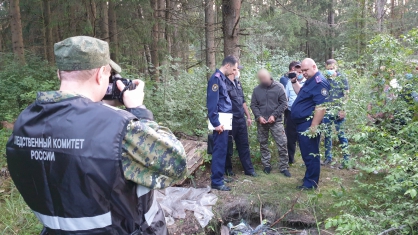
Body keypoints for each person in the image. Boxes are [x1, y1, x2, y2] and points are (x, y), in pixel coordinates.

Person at [6, 36, 187, 235]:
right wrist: (139, 111)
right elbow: (176, 164)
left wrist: (99, 109)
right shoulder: (119, 128)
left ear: (60, 73)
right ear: (101, 74)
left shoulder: (25, 122)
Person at [291, 58, 330, 190]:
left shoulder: (320, 82)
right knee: (306, 153)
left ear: (314, 66)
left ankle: (311, 184)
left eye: (306, 70)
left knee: (311, 153)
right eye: (302, 71)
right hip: (302, 123)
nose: (304, 73)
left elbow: (321, 106)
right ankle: (309, 178)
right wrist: (294, 81)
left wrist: (314, 126)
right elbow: (300, 94)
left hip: (309, 124)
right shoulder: (310, 81)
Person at [250, 69, 291, 177]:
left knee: (282, 143)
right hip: (262, 122)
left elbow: (284, 103)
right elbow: (253, 105)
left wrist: (274, 115)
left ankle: (284, 167)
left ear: (269, 76)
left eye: (265, 78)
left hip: (276, 121)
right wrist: (258, 117)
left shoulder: (279, 87)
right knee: (263, 143)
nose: (263, 80)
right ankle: (266, 165)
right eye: (261, 78)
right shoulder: (257, 90)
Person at [207, 55, 238, 191]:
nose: (234, 72)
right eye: (233, 69)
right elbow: (212, 103)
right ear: (227, 66)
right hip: (220, 120)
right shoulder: (216, 79)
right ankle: (216, 181)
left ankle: (219, 175)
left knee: (223, 148)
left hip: (225, 118)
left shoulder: (222, 78)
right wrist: (216, 123)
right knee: (219, 150)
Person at [224, 66, 257, 177]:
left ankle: (249, 169)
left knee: (244, 144)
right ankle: (228, 169)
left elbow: (242, 101)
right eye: (238, 70)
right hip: (230, 119)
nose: (239, 72)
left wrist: (248, 116)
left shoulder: (238, 84)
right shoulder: (224, 84)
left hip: (241, 119)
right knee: (228, 144)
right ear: (233, 71)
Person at [322, 59, 350, 168]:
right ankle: (328, 158)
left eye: (332, 68)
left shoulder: (342, 78)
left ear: (336, 67)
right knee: (327, 135)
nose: (330, 71)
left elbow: (346, 95)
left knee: (341, 135)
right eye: (328, 69)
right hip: (327, 111)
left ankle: (346, 160)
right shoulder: (324, 79)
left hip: (339, 111)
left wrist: (343, 109)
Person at [284, 64, 306, 164]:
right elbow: (286, 97)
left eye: (300, 72)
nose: (298, 74)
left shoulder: (307, 82)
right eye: (296, 72)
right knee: (290, 136)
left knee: (303, 136)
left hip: (303, 114)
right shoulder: (289, 83)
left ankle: (305, 158)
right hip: (291, 112)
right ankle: (290, 159)